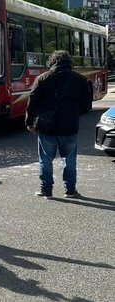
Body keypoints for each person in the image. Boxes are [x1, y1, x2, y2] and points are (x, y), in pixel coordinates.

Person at [25, 50, 91, 199]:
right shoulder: (79, 79)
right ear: (69, 62)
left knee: (45, 159)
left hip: (47, 128)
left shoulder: (42, 78)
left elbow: (32, 102)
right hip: (69, 127)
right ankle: (70, 190)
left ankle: (46, 190)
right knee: (69, 160)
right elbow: (86, 104)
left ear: (52, 62)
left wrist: (29, 122)